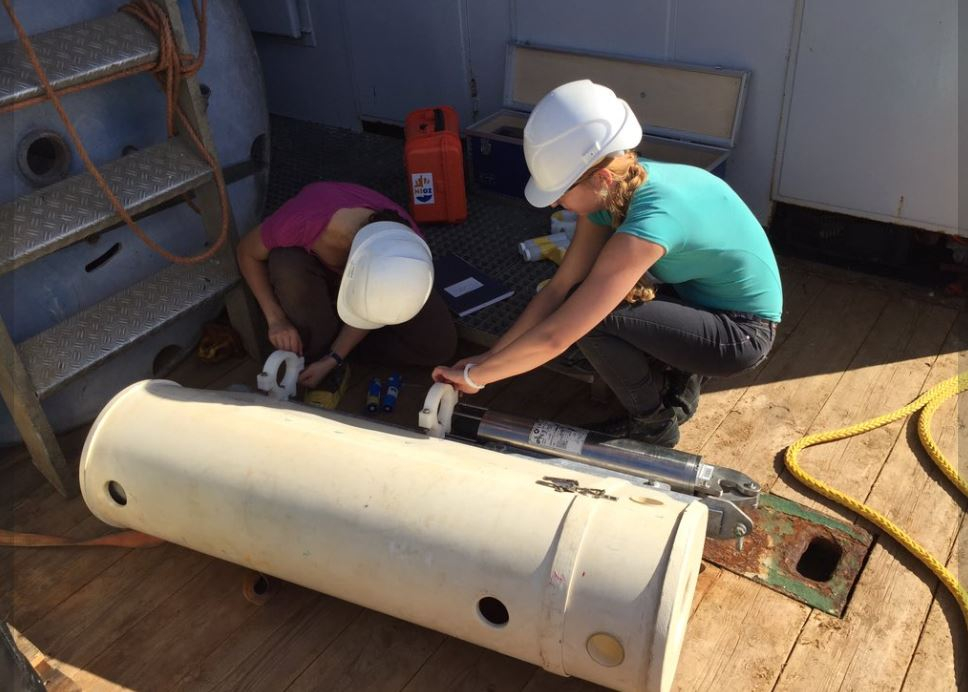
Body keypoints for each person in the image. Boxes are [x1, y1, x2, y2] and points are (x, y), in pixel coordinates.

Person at [433, 80, 782, 447]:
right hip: (700, 299)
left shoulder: (653, 221)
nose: (553, 204)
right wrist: (490, 357)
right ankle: (679, 386)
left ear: (599, 178)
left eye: (560, 192)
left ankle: (653, 424)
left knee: (593, 319)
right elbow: (558, 287)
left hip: (741, 334)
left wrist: (477, 378)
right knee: (585, 300)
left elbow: (556, 336)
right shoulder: (618, 186)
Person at [238, 181, 457, 389]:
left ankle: (336, 348)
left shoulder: (408, 242)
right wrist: (276, 320)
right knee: (286, 262)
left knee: (439, 345)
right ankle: (318, 344)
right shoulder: (301, 223)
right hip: (311, 272)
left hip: (363, 286)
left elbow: (375, 301)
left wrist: (334, 358)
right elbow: (246, 252)